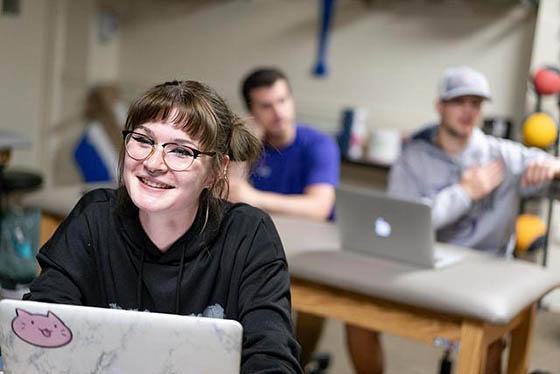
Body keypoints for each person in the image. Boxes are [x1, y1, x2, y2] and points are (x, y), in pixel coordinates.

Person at [24, 80, 302, 373]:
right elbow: (41, 329)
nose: (154, 163)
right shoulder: (94, 218)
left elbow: (271, 355)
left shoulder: (248, 234)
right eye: (143, 141)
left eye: (181, 151)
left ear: (217, 170)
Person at [388, 66, 560, 373]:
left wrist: (552, 169)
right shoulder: (412, 157)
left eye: (476, 103)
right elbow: (401, 226)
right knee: (356, 312)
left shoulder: (502, 155)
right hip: (429, 267)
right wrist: (464, 193)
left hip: (488, 269)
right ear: (440, 105)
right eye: (459, 102)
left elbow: (549, 166)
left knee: (492, 342)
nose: (468, 111)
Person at [229, 68, 382, 374]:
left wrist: (256, 199)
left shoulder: (318, 144)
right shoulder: (252, 145)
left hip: (313, 247)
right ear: (252, 112)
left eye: (283, 100)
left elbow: (319, 207)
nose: (278, 112)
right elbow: (231, 194)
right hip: (264, 241)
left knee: (313, 307)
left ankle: (299, 362)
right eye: (266, 106)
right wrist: (245, 150)